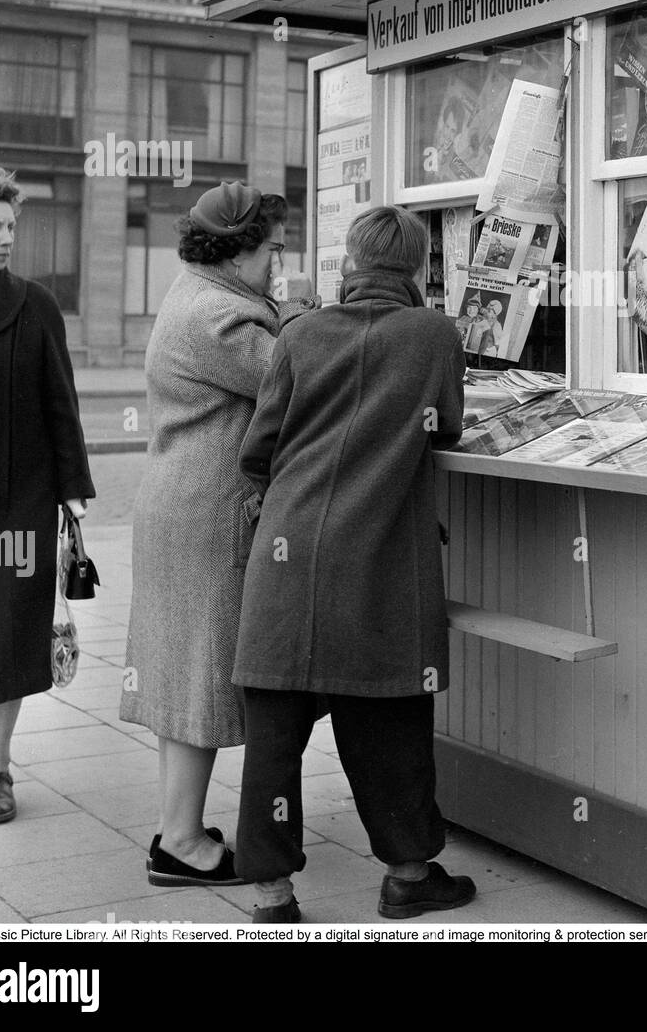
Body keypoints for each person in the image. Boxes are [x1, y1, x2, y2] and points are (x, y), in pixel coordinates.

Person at [232, 205, 473, 923]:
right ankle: (406, 874)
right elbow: (449, 424)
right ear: (419, 269)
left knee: (274, 727)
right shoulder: (432, 335)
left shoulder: (299, 334)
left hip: (287, 551)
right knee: (389, 717)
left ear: (349, 261)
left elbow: (259, 446)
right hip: (380, 556)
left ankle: (271, 894)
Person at [120, 181, 317, 887]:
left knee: (182, 679)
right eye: (272, 249)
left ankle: (178, 830)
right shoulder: (219, 320)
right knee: (200, 679)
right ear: (235, 254)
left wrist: (285, 310)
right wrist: (309, 319)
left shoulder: (200, 293)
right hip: (207, 520)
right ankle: (182, 844)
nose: (281, 261)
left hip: (181, 509)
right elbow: (295, 382)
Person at [0, 168, 95, 824]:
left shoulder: (35, 306)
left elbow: (60, 405)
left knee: (6, 634)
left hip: (18, 502)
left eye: (13, 227)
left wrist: (72, 493)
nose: (8, 239)